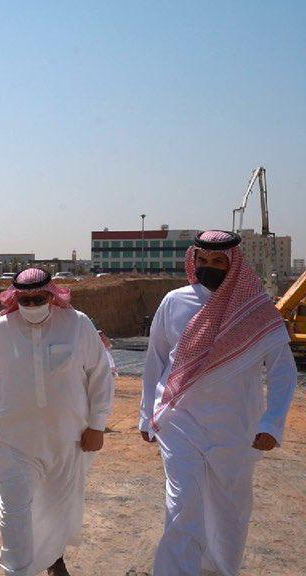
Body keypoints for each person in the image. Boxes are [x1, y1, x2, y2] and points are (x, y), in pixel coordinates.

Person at [140, 230, 297, 576]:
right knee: (183, 503)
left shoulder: (256, 310)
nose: (208, 267)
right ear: (193, 260)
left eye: (218, 261)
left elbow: (283, 371)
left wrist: (271, 422)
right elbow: (156, 360)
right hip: (179, 420)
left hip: (235, 426)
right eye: (203, 260)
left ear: (234, 264)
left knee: (229, 510)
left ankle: (219, 571)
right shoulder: (174, 302)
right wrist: (145, 415)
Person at [0, 268, 114, 576]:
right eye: (25, 300)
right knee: (15, 508)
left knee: (56, 507)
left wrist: (97, 424)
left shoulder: (77, 324)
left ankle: (53, 557)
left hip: (68, 438)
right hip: (13, 440)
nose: (32, 305)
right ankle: (17, 569)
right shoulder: (0, 330)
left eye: (39, 298)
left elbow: (99, 374)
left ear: (51, 295)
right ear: (15, 298)